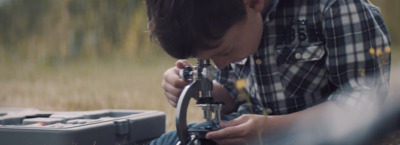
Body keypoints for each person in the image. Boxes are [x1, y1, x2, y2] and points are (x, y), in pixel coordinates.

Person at [145, 0, 391, 144]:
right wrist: (194, 89)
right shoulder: (232, 20)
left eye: (224, 52)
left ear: (253, 2)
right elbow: (234, 94)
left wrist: (270, 127)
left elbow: (366, 102)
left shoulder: (336, 7)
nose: (218, 65)